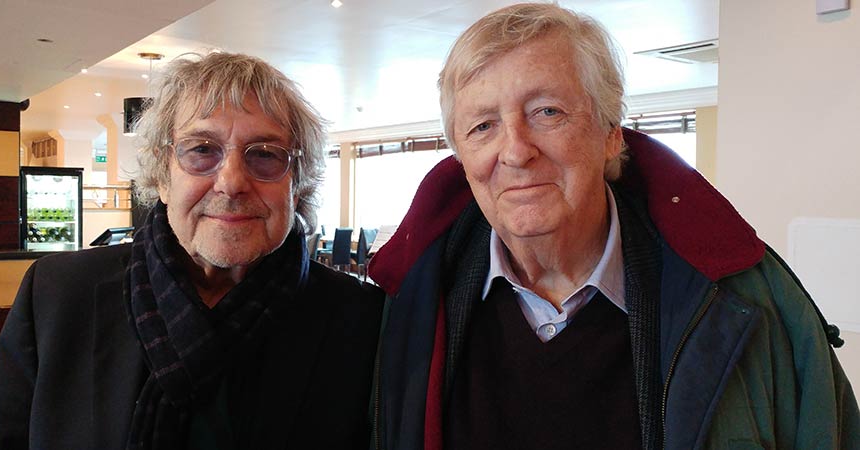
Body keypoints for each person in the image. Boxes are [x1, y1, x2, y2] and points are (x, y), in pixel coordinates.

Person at [367, 3, 859, 449]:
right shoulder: (409, 306)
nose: (515, 150)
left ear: (609, 134)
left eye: (547, 112)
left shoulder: (749, 303)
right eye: (483, 126)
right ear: (460, 156)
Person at [0, 52, 383, 449]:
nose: (231, 182)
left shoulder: (360, 319)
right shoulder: (58, 296)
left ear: (300, 184)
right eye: (202, 150)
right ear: (162, 176)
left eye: (264, 154)